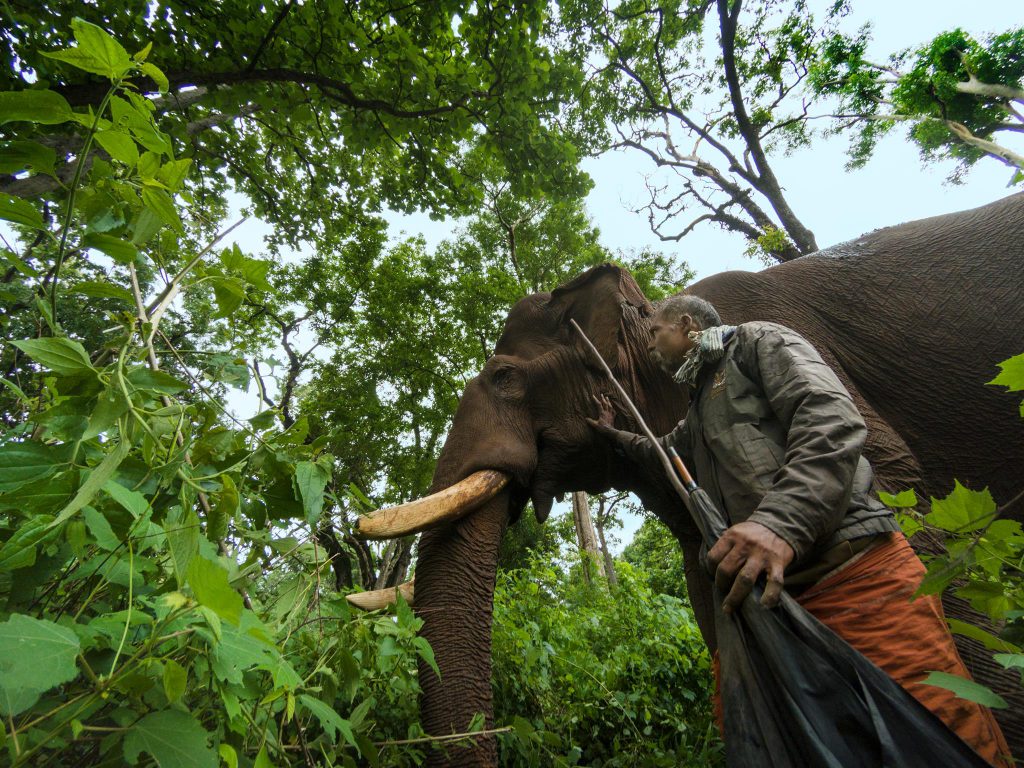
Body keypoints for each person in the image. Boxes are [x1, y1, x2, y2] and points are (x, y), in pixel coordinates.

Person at [588, 294, 1011, 767]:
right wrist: (613, 435)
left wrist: (778, 523)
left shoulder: (757, 341)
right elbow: (666, 451)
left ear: (686, 325)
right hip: (773, 601)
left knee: (938, 730)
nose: (649, 344)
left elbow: (830, 416)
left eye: (655, 332)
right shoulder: (702, 398)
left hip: (854, 577)